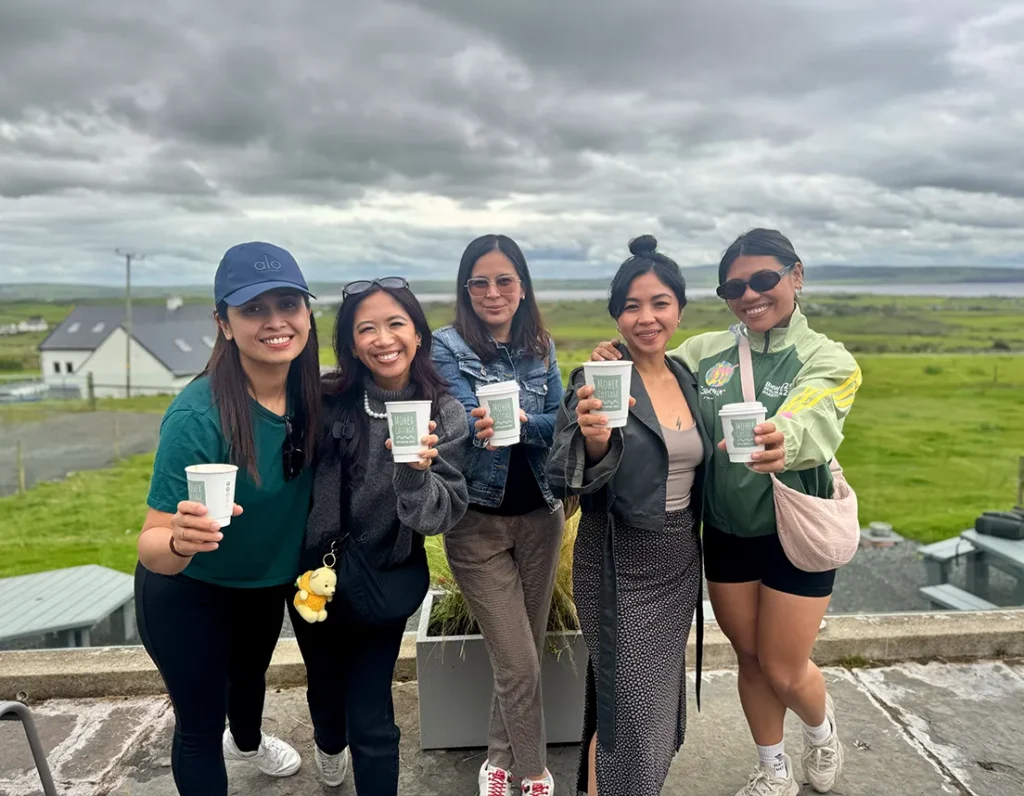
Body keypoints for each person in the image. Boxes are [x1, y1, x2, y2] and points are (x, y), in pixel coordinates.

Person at [590, 229, 861, 796]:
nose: (750, 295)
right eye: (734, 287)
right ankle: (773, 769)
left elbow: (814, 411)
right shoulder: (703, 353)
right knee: (751, 659)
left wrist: (782, 437)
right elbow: (652, 362)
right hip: (725, 532)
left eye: (763, 279)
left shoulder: (828, 358)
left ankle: (821, 730)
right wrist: (613, 356)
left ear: (796, 275)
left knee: (784, 667)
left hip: (795, 531)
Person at [135, 242, 321, 795]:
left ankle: (248, 741)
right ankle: (228, 738)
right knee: (198, 726)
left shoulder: (315, 396)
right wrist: (181, 539)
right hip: (189, 591)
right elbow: (151, 544)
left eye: (288, 304)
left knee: (249, 679)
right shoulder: (198, 414)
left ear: (307, 313)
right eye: (253, 309)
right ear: (223, 323)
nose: (276, 321)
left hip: (264, 585)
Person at [547, 235, 711, 796]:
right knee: (632, 717)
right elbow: (564, 475)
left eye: (660, 303)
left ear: (679, 310)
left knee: (644, 709)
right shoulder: (596, 379)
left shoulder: (687, 378)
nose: (647, 318)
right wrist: (594, 441)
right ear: (616, 315)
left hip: (679, 560)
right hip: (618, 560)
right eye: (632, 306)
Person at [296, 277, 469, 795]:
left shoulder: (444, 413)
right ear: (351, 345)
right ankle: (329, 743)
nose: (384, 339)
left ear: (418, 334)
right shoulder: (325, 400)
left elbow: (440, 516)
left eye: (396, 324)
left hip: (383, 579)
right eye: (366, 329)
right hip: (312, 579)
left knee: (372, 716)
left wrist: (414, 474)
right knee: (325, 687)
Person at [432, 234, 566, 796]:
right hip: (477, 523)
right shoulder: (444, 346)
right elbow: (461, 417)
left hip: (541, 518)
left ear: (522, 286)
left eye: (504, 280)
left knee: (523, 653)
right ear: (466, 290)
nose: (493, 293)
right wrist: (486, 424)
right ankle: (534, 772)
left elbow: (560, 420)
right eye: (480, 282)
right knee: (517, 660)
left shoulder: (541, 345)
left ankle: (496, 761)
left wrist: (521, 426)